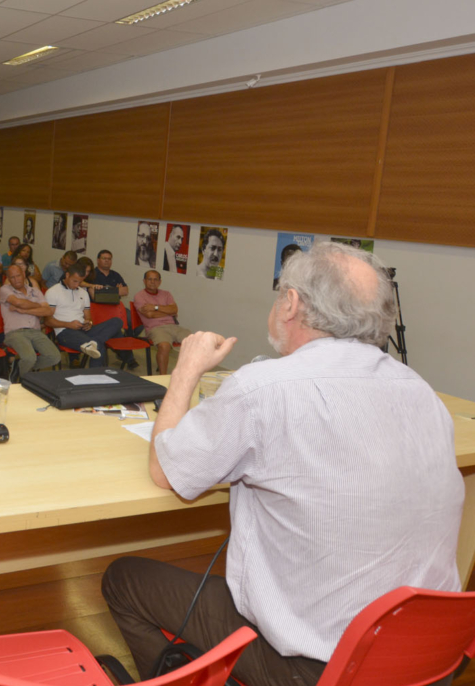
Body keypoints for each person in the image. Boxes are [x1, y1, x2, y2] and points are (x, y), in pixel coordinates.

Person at [103, 242, 463, 686]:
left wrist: (186, 370)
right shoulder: (421, 391)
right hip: (426, 660)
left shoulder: (265, 387)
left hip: (319, 668)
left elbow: (166, 469)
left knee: (124, 580)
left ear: (290, 303)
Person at [45, 261, 121, 367]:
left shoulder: (83, 293)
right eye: (74, 281)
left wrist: (88, 322)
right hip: (65, 331)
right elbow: (48, 321)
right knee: (99, 347)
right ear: (67, 275)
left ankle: (93, 342)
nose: (77, 285)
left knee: (117, 321)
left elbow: (88, 316)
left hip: (83, 329)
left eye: (79, 282)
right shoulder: (53, 292)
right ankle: (95, 380)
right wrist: (68, 324)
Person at [0, 262, 59, 377]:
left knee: (54, 357)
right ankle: (24, 378)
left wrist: (25, 310)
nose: (16, 279)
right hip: (15, 333)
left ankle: (22, 368)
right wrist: (37, 306)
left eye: (18, 275)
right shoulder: (5, 290)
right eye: (12, 277)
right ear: (8, 279)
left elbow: (48, 311)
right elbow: (18, 302)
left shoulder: (35, 291)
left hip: (35, 332)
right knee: (29, 357)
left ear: (24, 275)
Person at [133, 270, 193, 374]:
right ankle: (163, 376)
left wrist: (155, 307)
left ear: (160, 282)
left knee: (194, 341)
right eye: (150, 279)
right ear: (144, 281)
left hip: (173, 326)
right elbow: (149, 315)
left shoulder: (166, 294)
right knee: (164, 346)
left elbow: (174, 309)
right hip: (155, 328)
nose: (153, 282)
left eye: (156, 279)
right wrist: (168, 312)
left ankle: (187, 374)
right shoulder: (139, 296)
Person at [88, 249, 137, 369]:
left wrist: (104, 290)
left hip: (115, 307)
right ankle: (127, 357)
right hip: (97, 309)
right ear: (98, 260)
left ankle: (123, 350)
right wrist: (115, 290)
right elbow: (94, 295)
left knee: (134, 322)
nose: (107, 261)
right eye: (104, 258)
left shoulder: (115, 274)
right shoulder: (92, 275)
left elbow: (125, 291)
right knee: (115, 331)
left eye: (109, 259)